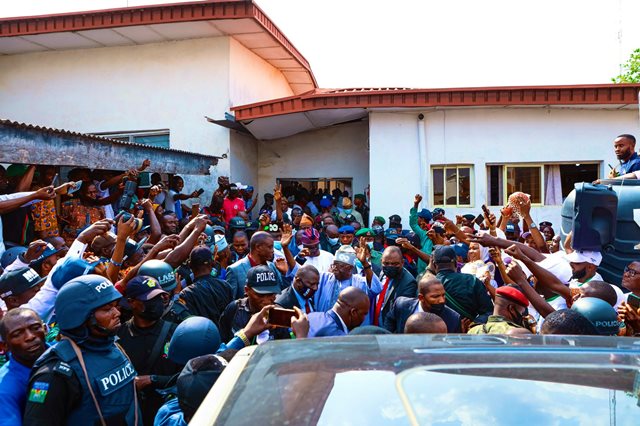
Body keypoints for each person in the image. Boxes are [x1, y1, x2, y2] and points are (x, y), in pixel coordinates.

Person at [24, 275, 139, 425]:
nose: (117, 313)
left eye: (116, 306)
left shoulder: (112, 345)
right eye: (107, 309)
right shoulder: (55, 374)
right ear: (80, 316)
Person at [117, 276, 182, 426]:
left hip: (167, 416)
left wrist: (152, 380)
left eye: (159, 297)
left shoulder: (176, 333)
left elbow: (186, 375)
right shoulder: (119, 337)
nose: (157, 303)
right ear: (131, 302)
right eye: (149, 299)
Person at [294, 245, 381, 316]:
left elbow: (376, 288)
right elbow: (301, 275)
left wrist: (365, 263)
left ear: (350, 268)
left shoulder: (359, 282)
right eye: (333, 265)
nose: (334, 268)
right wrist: (299, 259)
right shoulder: (324, 278)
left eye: (338, 266)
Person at [0, 308, 47, 426]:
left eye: (35, 328)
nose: (30, 337)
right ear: (5, 346)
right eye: (17, 334)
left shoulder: (69, 354)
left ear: (45, 329)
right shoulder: (4, 388)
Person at [219, 265, 289, 343]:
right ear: (247, 290)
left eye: (271, 294)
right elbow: (222, 343)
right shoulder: (234, 309)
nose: (266, 301)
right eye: (260, 295)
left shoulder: (280, 315)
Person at [432, 245, 494, 322]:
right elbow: (488, 312)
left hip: (436, 331)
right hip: (468, 332)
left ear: (434, 265)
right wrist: (473, 325)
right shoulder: (472, 280)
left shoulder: (427, 285)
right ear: (455, 263)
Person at [176, 246, 234, 329]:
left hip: (202, 339)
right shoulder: (226, 286)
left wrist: (176, 294)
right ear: (213, 264)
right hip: (226, 340)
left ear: (190, 266)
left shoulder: (186, 294)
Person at [384, 275, 461, 334]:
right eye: (435, 296)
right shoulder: (401, 305)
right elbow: (388, 326)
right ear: (421, 297)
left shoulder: (453, 319)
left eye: (443, 295)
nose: (442, 300)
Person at [226, 231, 286, 300]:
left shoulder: (273, 266)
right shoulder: (234, 270)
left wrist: (284, 274)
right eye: (270, 247)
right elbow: (230, 301)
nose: (273, 251)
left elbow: (283, 295)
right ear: (258, 247)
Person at [372, 246, 417, 327]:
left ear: (402, 263)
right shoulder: (382, 272)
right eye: (386, 263)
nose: (390, 266)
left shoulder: (408, 282)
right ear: (381, 261)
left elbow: (401, 314)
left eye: (394, 264)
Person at [409, 194, 433, 275]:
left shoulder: (444, 243)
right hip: (421, 275)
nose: (431, 232)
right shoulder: (425, 235)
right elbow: (413, 224)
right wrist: (416, 205)